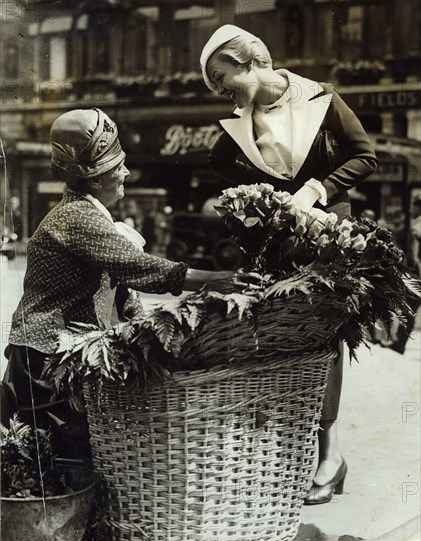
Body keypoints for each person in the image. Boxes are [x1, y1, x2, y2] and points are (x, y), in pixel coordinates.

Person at [1, 108, 258, 460]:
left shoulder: (94, 218)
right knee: (51, 459)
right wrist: (217, 281)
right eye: (115, 167)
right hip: (43, 358)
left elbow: (125, 291)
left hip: (54, 354)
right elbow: (139, 267)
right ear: (93, 180)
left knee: (63, 455)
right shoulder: (76, 217)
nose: (125, 172)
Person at [200, 25, 378, 504]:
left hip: (326, 242)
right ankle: (285, 456)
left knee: (325, 342)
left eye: (222, 78)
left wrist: (317, 190)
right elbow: (219, 163)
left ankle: (330, 456)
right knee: (277, 342)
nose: (220, 91)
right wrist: (259, 196)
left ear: (246, 61)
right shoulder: (239, 123)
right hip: (275, 249)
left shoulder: (321, 98)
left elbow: (365, 157)